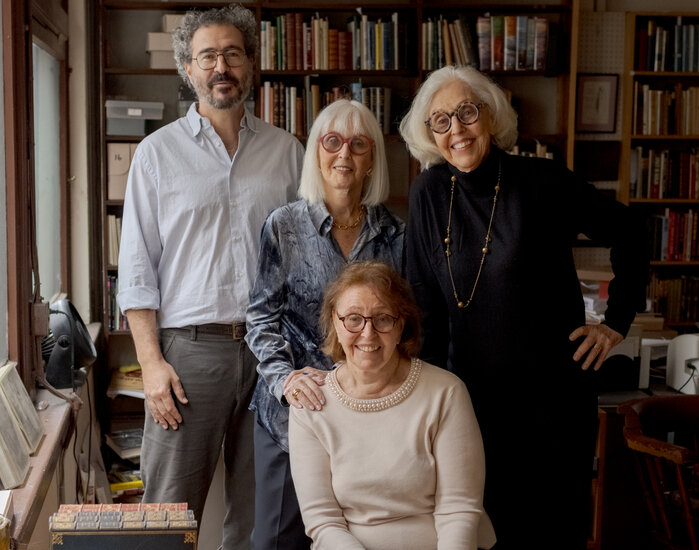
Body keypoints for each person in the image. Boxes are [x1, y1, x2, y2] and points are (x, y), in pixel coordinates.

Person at [399, 65, 648, 549]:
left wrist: (615, 322)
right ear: (429, 134)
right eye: (441, 120)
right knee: (481, 534)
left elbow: (632, 232)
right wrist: (422, 408)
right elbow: (422, 305)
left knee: (552, 533)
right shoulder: (428, 193)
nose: (457, 130)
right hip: (470, 407)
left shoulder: (542, 181)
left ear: (490, 116)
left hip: (552, 403)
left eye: (467, 113)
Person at [115, 4, 303, 547]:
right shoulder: (155, 155)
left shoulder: (287, 153)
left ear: (250, 65)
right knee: (170, 514)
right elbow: (137, 270)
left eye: (232, 54)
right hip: (188, 357)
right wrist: (151, 365)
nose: (221, 66)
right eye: (207, 56)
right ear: (188, 69)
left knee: (258, 513)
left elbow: (303, 258)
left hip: (272, 354)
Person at [245, 100, 405, 549]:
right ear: (316, 151)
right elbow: (261, 317)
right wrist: (285, 378)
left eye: (358, 144)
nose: (344, 155)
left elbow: (402, 329)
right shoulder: (284, 226)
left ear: (372, 157)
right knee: (277, 541)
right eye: (332, 142)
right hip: (292, 413)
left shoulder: (395, 236)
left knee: (356, 539)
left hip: (368, 417)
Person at [289, 261, 495, 550]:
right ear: (335, 322)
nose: (368, 333)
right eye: (353, 319)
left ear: (401, 325)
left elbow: (458, 511)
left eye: (383, 318)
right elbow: (324, 522)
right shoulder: (310, 404)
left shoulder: (446, 393)